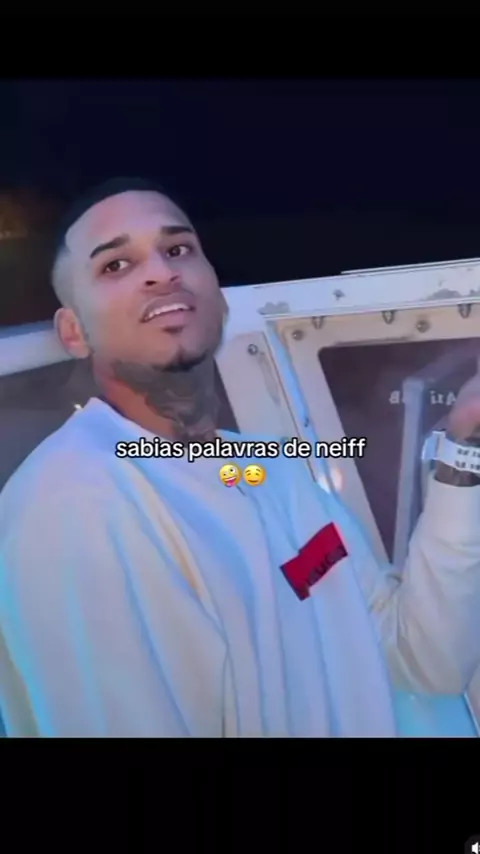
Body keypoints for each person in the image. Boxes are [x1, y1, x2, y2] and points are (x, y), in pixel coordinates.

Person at [0, 176, 479, 738]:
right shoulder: (69, 507)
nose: (160, 272)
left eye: (178, 249)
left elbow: (424, 659)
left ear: (219, 295)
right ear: (74, 332)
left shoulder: (264, 468)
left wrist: (463, 448)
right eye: (116, 265)